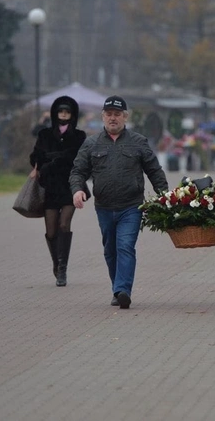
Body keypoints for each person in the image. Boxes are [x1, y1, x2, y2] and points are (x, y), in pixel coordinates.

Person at [70, 95, 168, 309]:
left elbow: (154, 171)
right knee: (110, 250)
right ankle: (117, 287)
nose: (113, 118)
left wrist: (165, 196)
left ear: (125, 117)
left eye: (117, 115)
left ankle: (123, 290)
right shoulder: (91, 143)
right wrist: (77, 190)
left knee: (125, 246)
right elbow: (78, 171)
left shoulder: (138, 142)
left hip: (131, 206)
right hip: (104, 207)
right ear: (103, 117)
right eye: (109, 115)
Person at [29, 96, 87, 287]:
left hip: (70, 185)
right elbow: (36, 156)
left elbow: (77, 158)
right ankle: (56, 262)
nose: (64, 115)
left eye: (67, 112)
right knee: (51, 231)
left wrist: (52, 159)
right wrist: (46, 162)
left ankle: (62, 269)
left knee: (64, 225)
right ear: (55, 113)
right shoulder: (45, 134)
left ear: (73, 114)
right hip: (50, 187)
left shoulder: (79, 136)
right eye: (61, 111)